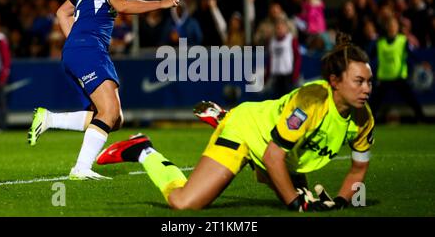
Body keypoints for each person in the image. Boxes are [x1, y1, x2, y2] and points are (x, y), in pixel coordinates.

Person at [97, 33, 375, 212]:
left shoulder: (364, 120)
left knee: (301, 192)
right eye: (359, 81)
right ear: (335, 82)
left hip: (281, 148)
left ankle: (223, 118)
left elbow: (358, 169)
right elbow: (273, 156)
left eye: (369, 82)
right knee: (184, 203)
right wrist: (296, 203)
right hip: (249, 134)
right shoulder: (310, 103)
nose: (367, 89)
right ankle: (144, 150)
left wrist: (340, 202)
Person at [27, 0, 180, 180]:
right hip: (88, 51)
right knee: (108, 113)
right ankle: (81, 169)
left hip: (81, 51)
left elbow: (61, 13)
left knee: (113, 117)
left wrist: (74, 44)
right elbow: (122, 5)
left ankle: (50, 119)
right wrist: (161, 4)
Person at [370, 16, 427, 123]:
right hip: (384, 78)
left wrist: (421, 62)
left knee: (412, 99)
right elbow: (370, 56)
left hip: (399, 77)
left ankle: (421, 118)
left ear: (397, 27)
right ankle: (368, 122)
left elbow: (412, 54)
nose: (392, 27)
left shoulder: (403, 40)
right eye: (390, 25)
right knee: (374, 102)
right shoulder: (379, 42)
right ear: (386, 27)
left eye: (394, 25)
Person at [268, 17, 301, 98]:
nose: (279, 30)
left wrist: (295, 75)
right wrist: (267, 75)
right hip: (276, 76)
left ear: (286, 29)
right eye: (277, 28)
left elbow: (297, 58)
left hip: (288, 76)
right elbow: (270, 59)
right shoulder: (272, 42)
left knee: (288, 99)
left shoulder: (291, 40)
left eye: (282, 28)